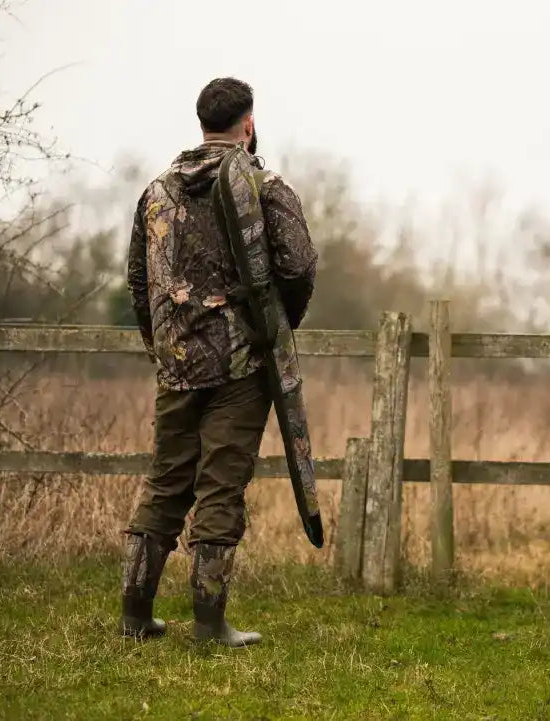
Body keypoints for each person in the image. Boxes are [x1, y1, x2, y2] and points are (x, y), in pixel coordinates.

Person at [120, 77, 317, 647]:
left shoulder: (155, 191)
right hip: (240, 366)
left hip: (176, 362)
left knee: (165, 481)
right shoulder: (266, 184)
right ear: (248, 124)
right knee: (220, 487)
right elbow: (299, 265)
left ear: (202, 122)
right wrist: (276, 329)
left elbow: (139, 279)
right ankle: (209, 624)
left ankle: (135, 616)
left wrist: (160, 343)